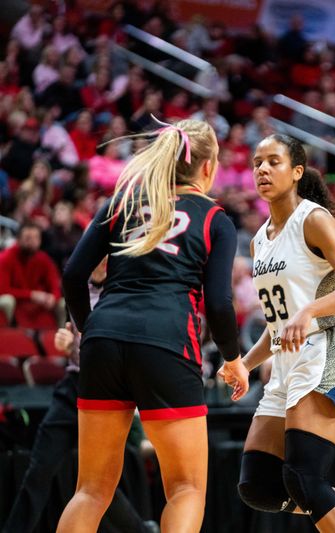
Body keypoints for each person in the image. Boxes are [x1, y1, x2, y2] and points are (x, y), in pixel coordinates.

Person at [56, 118, 249, 533]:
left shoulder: (121, 202)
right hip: (166, 339)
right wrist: (233, 359)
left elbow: (74, 274)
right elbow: (218, 301)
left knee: (90, 490)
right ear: (208, 167)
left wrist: (90, 331)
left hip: (104, 338)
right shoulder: (215, 218)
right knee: (185, 488)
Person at [217, 133, 335, 533]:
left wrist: (311, 310)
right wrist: (244, 363)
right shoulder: (258, 242)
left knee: (306, 479)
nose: (262, 169)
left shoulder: (313, 219)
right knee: (260, 486)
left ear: (297, 171)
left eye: (273, 161)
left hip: (326, 351)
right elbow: (279, 324)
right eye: (257, 163)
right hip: (288, 364)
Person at [3, 258, 157, 533]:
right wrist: (66, 342)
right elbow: (75, 338)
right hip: (73, 387)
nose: (98, 258)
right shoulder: (76, 285)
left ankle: (142, 530)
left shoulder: (127, 291)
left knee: (98, 484)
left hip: (107, 393)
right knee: (39, 470)